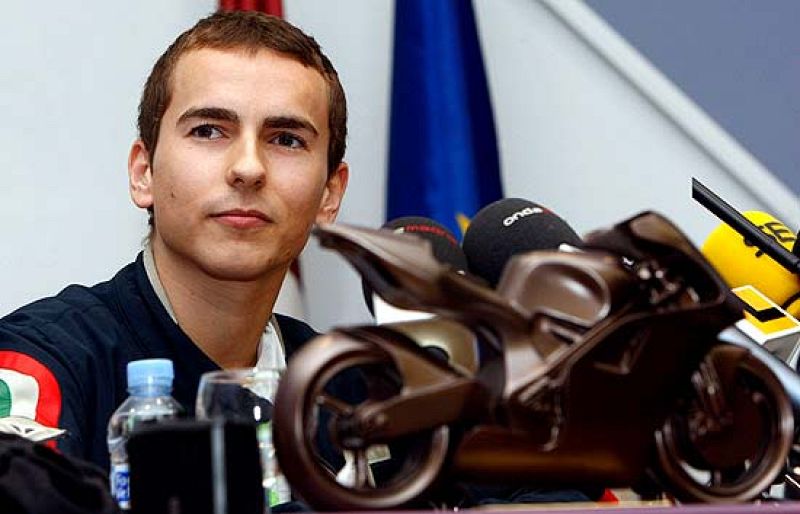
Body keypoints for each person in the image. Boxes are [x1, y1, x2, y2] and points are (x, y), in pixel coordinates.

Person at [0, 10, 592, 509]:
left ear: (330, 194)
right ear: (143, 172)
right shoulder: (47, 360)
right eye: (209, 131)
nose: (248, 168)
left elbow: (548, 493)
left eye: (286, 140)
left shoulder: (359, 387)